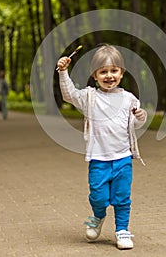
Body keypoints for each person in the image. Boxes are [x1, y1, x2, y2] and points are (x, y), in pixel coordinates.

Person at [57, 44, 147, 250]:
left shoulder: (129, 98)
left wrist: (141, 117)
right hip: (98, 159)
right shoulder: (90, 97)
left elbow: (134, 124)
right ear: (95, 75)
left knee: (122, 197)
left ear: (121, 73)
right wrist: (63, 72)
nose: (109, 76)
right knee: (98, 196)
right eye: (103, 72)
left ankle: (122, 230)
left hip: (123, 158)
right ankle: (98, 216)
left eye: (114, 71)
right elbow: (69, 95)